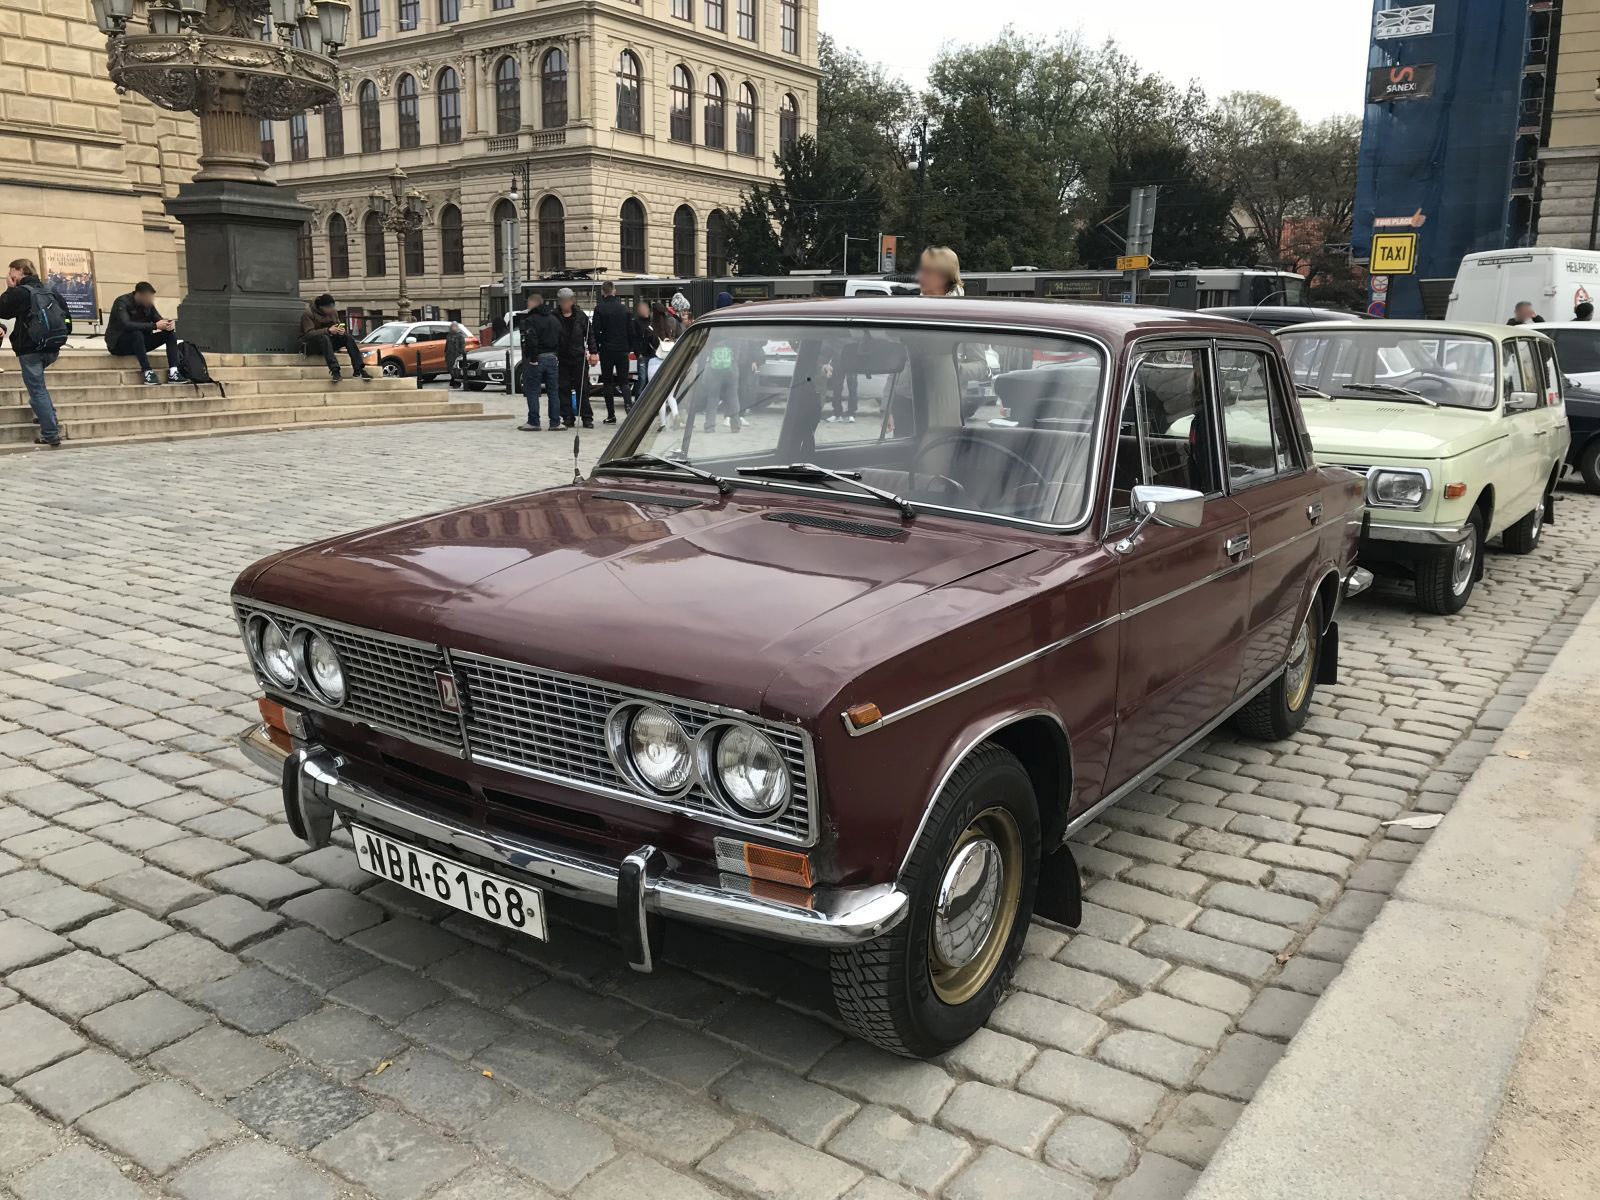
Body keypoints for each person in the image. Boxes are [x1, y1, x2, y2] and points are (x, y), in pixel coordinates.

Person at [0, 258, 70, 447]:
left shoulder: (21, 292)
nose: (9, 276)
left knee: (37, 389)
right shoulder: (50, 290)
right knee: (38, 387)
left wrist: (10, 288)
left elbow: (2, 310)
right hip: (52, 348)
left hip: (30, 349)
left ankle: (50, 433)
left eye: (11, 272)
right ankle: (47, 416)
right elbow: (67, 318)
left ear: (20, 271)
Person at [105, 282, 181, 385]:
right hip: (119, 345)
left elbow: (158, 320)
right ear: (139, 295)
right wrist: (155, 326)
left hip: (140, 344)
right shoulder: (122, 302)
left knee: (170, 334)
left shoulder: (148, 305)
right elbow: (126, 324)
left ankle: (174, 372)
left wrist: (168, 325)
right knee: (137, 333)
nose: (151, 300)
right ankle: (147, 372)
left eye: (151, 297)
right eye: (148, 297)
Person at [517, 291, 562, 432]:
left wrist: (533, 358)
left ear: (532, 303)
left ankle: (534, 421)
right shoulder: (554, 319)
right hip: (553, 357)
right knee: (553, 391)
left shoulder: (531, 320)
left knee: (533, 390)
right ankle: (555, 422)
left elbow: (531, 340)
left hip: (537, 358)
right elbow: (561, 338)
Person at [589, 281, 632, 423]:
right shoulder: (624, 309)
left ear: (603, 292)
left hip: (607, 350)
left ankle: (611, 415)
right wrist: (628, 346)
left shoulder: (599, 309)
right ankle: (628, 407)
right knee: (624, 381)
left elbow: (595, 331)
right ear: (614, 291)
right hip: (622, 350)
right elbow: (629, 330)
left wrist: (599, 346)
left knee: (607, 382)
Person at [301, 294, 371, 381]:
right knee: (324, 337)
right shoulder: (308, 314)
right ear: (321, 307)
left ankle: (359, 369)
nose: (331, 310)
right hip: (312, 345)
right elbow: (308, 334)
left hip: (328, 342)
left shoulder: (333, 312)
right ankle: (335, 370)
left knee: (347, 337)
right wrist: (328, 330)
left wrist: (340, 331)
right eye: (329, 308)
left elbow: (337, 325)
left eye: (332, 307)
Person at [554, 287, 595, 429]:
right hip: (562, 358)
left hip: (578, 357)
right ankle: (567, 417)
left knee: (582, 388)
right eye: (562, 301)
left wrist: (594, 352)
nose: (564, 304)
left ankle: (586, 417)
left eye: (567, 301)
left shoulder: (581, 316)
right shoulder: (554, 316)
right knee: (563, 388)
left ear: (572, 301)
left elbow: (590, 335)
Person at [630, 298, 662, 395]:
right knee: (642, 378)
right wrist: (638, 353)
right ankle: (638, 399)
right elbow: (634, 339)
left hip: (653, 355)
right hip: (642, 355)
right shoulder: (636, 322)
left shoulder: (653, 322)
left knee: (650, 378)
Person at [445, 319, 470, 386]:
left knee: (456, 368)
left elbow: (462, 345)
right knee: (450, 368)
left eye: (455, 326)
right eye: (453, 326)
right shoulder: (449, 335)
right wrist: (446, 352)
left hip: (457, 354)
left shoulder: (460, 335)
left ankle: (456, 381)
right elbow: (447, 345)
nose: (454, 327)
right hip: (449, 355)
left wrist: (461, 353)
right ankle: (453, 379)